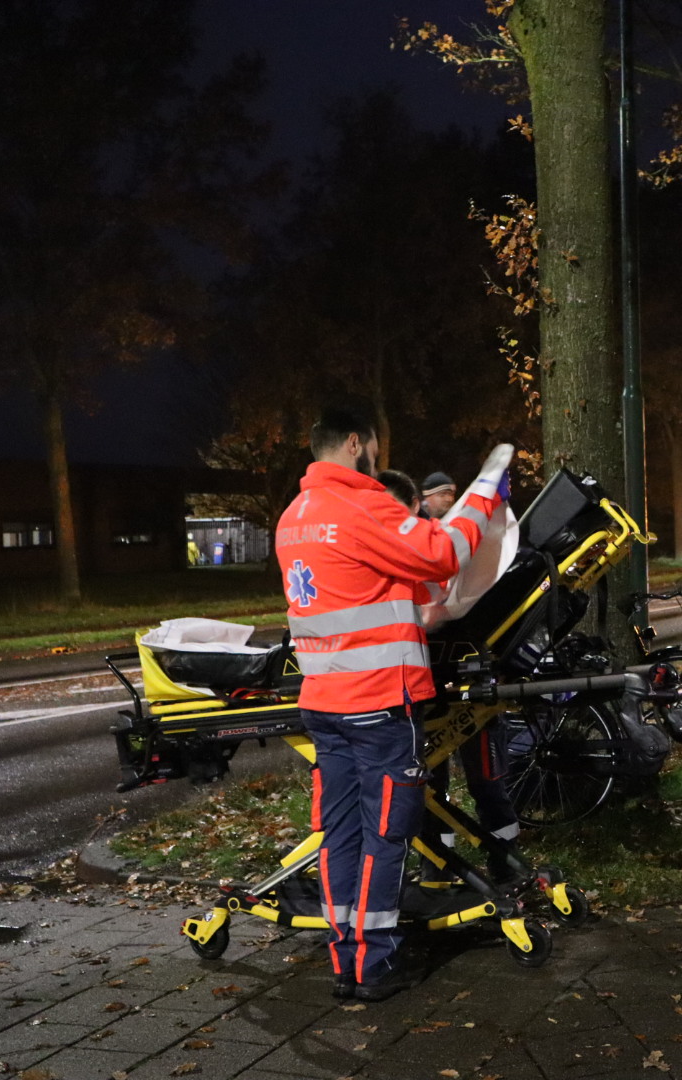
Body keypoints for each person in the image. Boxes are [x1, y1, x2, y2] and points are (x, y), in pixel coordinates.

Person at [276, 405, 508, 1003]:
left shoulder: (294, 517)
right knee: (386, 834)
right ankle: (375, 966)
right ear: (356, 442)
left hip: (324, 702)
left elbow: (366, 581)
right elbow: (442, 552)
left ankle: (344, 961)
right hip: (379, 701)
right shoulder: (364, 503)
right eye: (375, 445)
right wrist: (486, 486)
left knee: (340, 833)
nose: (377, 455)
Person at [377, 469, 521, 883]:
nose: (450, 500)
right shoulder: (412, 544)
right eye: (445, 494)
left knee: (485, 781)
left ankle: (502, 863)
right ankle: (439, 867)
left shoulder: (436, 544)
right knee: (432, 786)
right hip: (427, 680)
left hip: (455, 674)